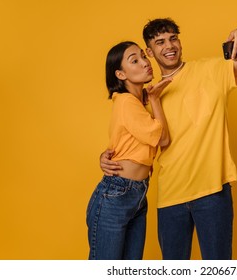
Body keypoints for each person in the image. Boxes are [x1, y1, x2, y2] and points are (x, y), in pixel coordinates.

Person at [100, 18, 237, 260]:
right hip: (170, 195)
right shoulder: (145, 96)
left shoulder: (211, 70)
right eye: (160, 42)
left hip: (212, 191)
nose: (169, 46)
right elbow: (129, 138)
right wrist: (105, 156)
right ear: (150, 52)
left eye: (173, 38)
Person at [86, 41, 171, 260]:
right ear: (121, 74)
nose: (145, 63)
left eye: (144, 56)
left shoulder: (136, 104)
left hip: (137, 194)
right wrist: (154, 99)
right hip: (117, 194)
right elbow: (163, 139)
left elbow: (124, 144)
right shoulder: (127, 103)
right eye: (135, 60)